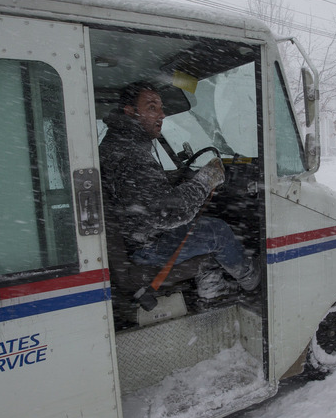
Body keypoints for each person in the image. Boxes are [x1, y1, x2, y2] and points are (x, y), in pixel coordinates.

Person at [98, 81, 260, 299]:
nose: (162, 114)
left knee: (203, 229)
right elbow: (168, 214)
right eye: (152, 107)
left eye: (161, 107)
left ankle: (212, 290)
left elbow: (147, 196)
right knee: (217, 231)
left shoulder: (118, 144)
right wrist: (205, 180)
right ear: (130, 112)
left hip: (131, 239)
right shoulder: (131, 154)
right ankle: (251, 280)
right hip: (145, 246)